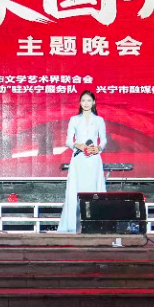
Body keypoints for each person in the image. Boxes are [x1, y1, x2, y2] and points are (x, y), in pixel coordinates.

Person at [57, 90, 108, 233]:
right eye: (83, 100)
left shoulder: (99, 120)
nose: (86, 103)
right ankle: (72, 225)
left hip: (93, 159)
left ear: (93, 102)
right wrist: (76, 145)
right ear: (80, 103)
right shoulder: (74, 119)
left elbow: (103, 140)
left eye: (89, 100)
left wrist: (98, 148)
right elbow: (68, 140)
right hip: (79, 158)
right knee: (76, 189)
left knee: (93, 189)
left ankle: (96, 224)